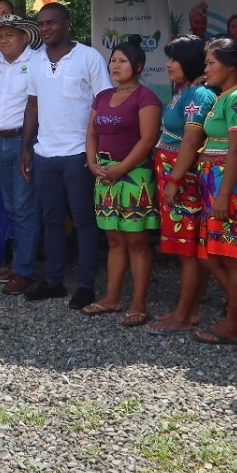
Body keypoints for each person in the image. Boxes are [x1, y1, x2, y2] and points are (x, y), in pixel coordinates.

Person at [20, 2, 111, 308]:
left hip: (78, 153)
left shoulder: (88, 57)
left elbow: (104, 104)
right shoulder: (35, 61)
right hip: (45, 152)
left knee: (84, 220)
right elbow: (32, 105)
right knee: (51, 219)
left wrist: (95, 151)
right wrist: (26, 148)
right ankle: (54, 281)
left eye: (51, 23)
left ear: (67, 24)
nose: (45, 28)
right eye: (41, 24)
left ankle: (86, 284)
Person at [192, 38, 237, 346]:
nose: (205, 68)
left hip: (233, 187)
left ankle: (234, 325)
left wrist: (223, 195)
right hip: (215, 184)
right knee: (208, 251)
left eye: (210, 63)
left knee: (234, 257)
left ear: (231, 65)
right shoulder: (223, 96)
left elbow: (236, 150)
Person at [84, 38, 161, 322]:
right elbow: (92, 133)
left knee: (137, 242)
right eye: (113, 60)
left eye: (122, 61)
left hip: (134, 178)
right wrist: (92, 163)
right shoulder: (102, 97)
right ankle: (112, 298)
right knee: (114, 241)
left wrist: (121, 169)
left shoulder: (146, 98)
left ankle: (139, 303)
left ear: (138, 66)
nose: (115, 65)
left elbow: (148, 140)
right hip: (104, 175)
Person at [147, 36, 218, 335]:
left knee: (187, 248)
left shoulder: (199, 95)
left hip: (183, 179)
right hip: (173, 176)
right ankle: (191, 308)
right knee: (183, 247)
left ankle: (184, 315)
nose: (168, 64)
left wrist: (174, 179)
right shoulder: (184, 92)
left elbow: (191, 142)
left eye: (174, 59)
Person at [0, 14, 42, 296]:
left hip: (24, 140)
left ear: (25, 37)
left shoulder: (37, 63)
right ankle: (20, 263)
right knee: (11, 206)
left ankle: (25, 270)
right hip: (2, 140)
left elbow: (39, 106)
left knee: (24, 206)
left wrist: (28, 146)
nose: (4, 40)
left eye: (10, 35)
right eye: (0, 36)